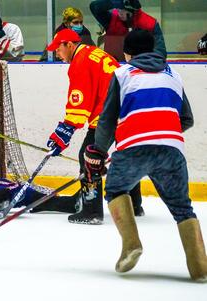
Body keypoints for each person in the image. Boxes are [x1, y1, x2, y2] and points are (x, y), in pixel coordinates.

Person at [83, 29, 206, 282]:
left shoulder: (122, 73)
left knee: (116, 190)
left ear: (127, 53)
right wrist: (161, 132)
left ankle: (131, 245)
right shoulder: (174, 74)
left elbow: (106, 120)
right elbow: (187, 119)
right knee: (183, 208)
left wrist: (99, 151)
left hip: (133, 148)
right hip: (172, 148)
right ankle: (200, 267)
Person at [44, 28, 142, 225]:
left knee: (88, 157)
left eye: (58, 48)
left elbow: (80, 102)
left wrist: (65, 131)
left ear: (69, 45)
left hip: (109, 115)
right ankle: (135, 204)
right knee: (125, 155)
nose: (56, 53)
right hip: (128, 113)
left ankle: (91, 211)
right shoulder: (94, 53)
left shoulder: (80, 62)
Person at [90, 0, 166, 61]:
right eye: (118, 8)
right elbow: (94, 7)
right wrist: (114, 2)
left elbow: (160, 53)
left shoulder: (150, 24)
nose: (119, 12)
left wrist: (145, 65)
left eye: (122, 9)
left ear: (132, 10)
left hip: (141, 69)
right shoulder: (112, 19)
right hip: (114, 67)